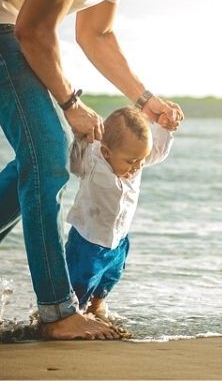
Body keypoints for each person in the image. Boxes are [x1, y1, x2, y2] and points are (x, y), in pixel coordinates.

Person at [0, 0, 184, 340]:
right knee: (48, 157)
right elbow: (33, 30)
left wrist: (145, 99)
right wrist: (71, 104)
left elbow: (98, 33)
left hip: (8, 22)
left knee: (45, 155)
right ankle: (57, 311)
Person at [65, 106, 178, 326]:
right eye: (130, 162)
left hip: (118, 240)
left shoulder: (135, 158)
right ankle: (73, 317)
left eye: (141, 161)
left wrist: (164, 128)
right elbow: (73, 164)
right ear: (106, 152)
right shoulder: (93, 159)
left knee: (111, 277)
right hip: (88, 241)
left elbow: (158, 151)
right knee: (79, 285)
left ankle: (97, 308)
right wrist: (80, 139)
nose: (136, 168)